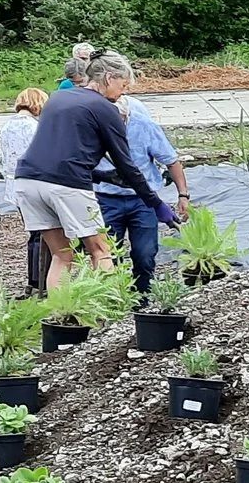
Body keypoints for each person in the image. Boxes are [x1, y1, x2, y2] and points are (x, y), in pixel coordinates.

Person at [15, 49, 182, 276]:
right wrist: (155, 203)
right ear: (109, 77)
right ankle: (110, 309)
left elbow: (61, 150)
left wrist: (100, 175)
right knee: (102, 251)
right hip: (67, 185)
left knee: (62, 255)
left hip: (27, 181)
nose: (122, 94)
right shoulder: (105, 108)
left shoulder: (58, 98)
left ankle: (62, 311)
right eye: (123, 86)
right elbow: (126, 165)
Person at [92, 83, 191, 298]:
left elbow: (172, 161)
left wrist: (182, 194)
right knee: (108, 254)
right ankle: (115, 298)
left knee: (145, 254)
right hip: (105, 198)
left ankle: (142, 298)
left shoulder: (144, 126)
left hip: (143, 200)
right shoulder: (93, 128)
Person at [0, 87, 49, 289]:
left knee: (33, 233)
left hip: (14, 185)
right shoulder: (33, 127)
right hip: (33, 183)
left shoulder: (7, 126)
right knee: (41, 233)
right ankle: (39, 279)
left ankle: (33, 280)